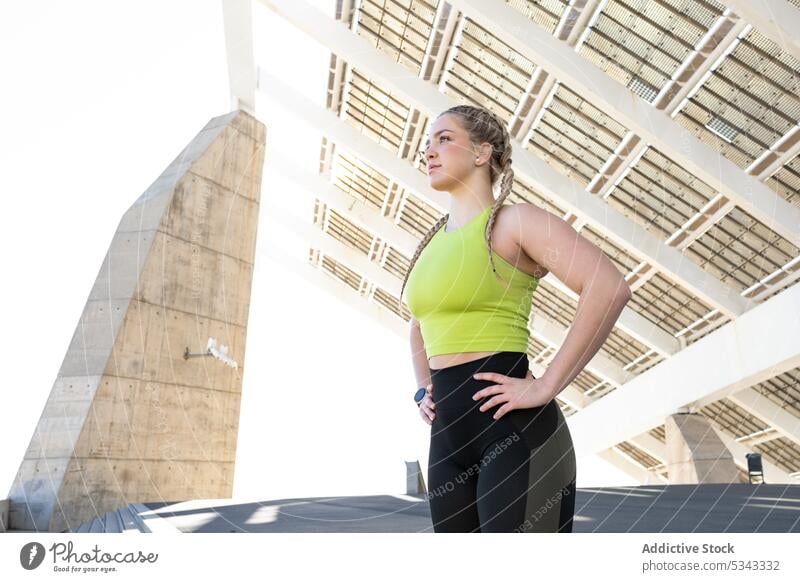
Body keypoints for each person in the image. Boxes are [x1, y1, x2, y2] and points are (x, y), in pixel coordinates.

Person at [399, 105, 632, 532]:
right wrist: (422, 389)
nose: (428, 149)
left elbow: (609, 287)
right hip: (448, 443)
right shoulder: (430, 245)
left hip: (517, 435)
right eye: (428, 141)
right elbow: (417, 322)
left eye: (444, 138)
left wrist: (545, 385)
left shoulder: (513, 223)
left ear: (482, 153)